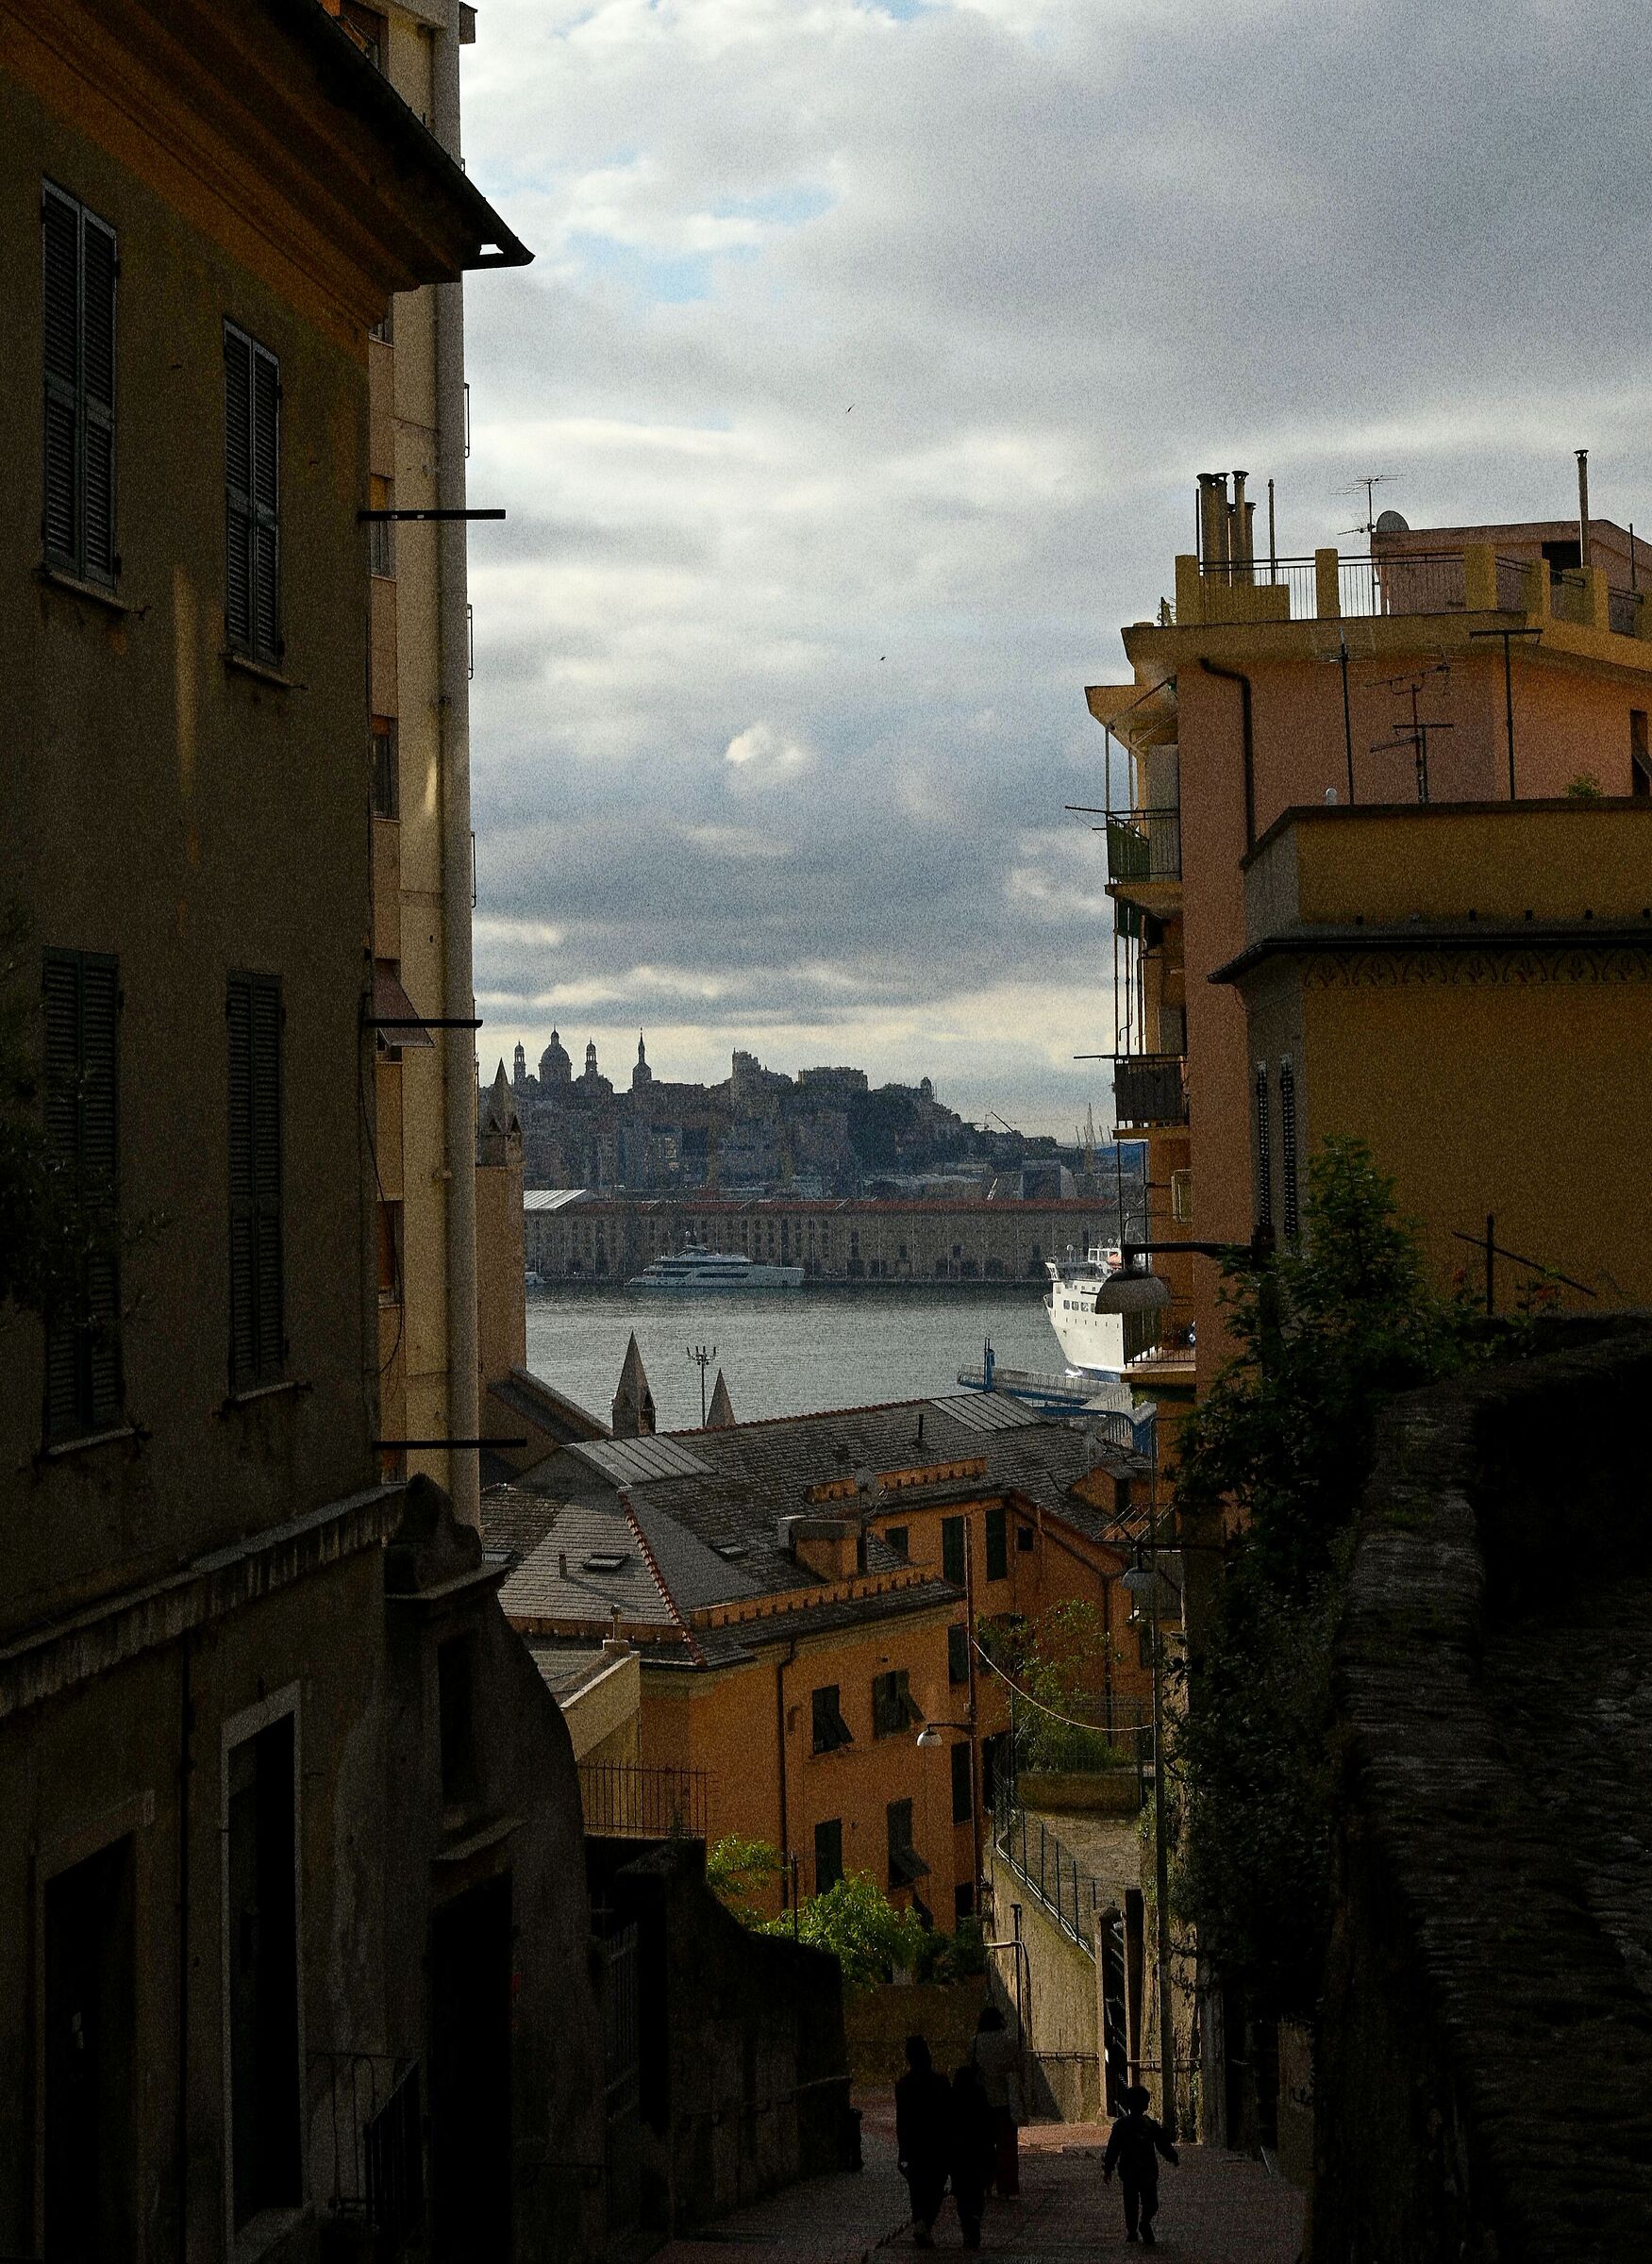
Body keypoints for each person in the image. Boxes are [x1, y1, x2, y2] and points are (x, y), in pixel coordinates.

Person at [1102, 2083, 1179, 2247]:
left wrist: (1108, 2169)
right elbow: (1163, 2144)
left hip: (1128, 2171)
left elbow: (1113, 2149)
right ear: (1145, 2105)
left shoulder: (1121, 2126)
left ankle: (1132, 2231)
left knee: (1130, 2202)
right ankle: (1144, 2222)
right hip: (1148, 2171)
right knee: (1151, 2202)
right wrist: (1172, 2157)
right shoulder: (1150, 2125)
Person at [894, 2035, 953, 2248]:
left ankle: (921, 2223)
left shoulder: (903, 2086)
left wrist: (902, 2151)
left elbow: (901, 2120)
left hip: (915, 2143)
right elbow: (949, 2115)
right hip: (938, 2142)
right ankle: (924, 2224)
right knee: (936, 2186)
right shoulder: (941, 2083)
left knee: (917, 2187)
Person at [969, 2004, 1023, 2197]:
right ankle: (1006, 2187)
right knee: (1007, 2148)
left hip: (982, 2104)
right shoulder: (1008, 2041)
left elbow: (971, 2070)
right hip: (1005, 2103)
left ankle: (986, 2185)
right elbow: (1017, 2065)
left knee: (983, 2148)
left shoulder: (975, 2042)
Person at [948, 2058, 996, 2251]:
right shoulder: (981, 2096)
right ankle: (975, 2217)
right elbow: (990, 2125)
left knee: (961, 2194)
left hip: (960, 2154)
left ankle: (968, 2223)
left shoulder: (952, 2099)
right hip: (979, 2152)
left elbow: (947, 2126)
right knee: (977, 2192)